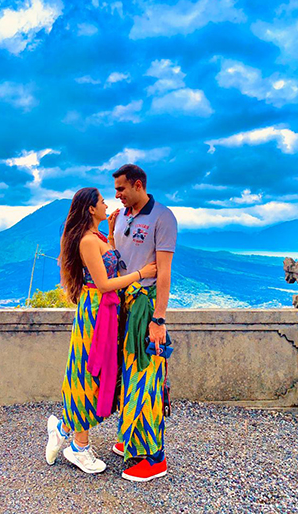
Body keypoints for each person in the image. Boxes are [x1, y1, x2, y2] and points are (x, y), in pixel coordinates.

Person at [45, 187, 157, 474]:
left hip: (107, 311)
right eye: (102, 202)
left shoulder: (96, 237)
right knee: (88, 372)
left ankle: (63, 428)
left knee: (100, 371)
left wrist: (111, 233)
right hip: (95, 313)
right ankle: (78, 448)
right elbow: (104, 283)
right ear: (91, 209)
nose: (107, 205)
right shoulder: (86, 241)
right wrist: (142, 274)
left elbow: (109, 263)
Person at [108, 164, 177, 482]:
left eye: (121, 189)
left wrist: (158, 319)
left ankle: (155, 458)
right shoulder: (121, 217)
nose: (117, 195)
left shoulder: (163, 217)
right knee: (128, 377)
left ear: (138, 185)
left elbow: (164, 272)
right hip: (122, 305)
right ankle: (132, 440)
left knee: (146, 379)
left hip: (144, 307)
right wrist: (111, 232)